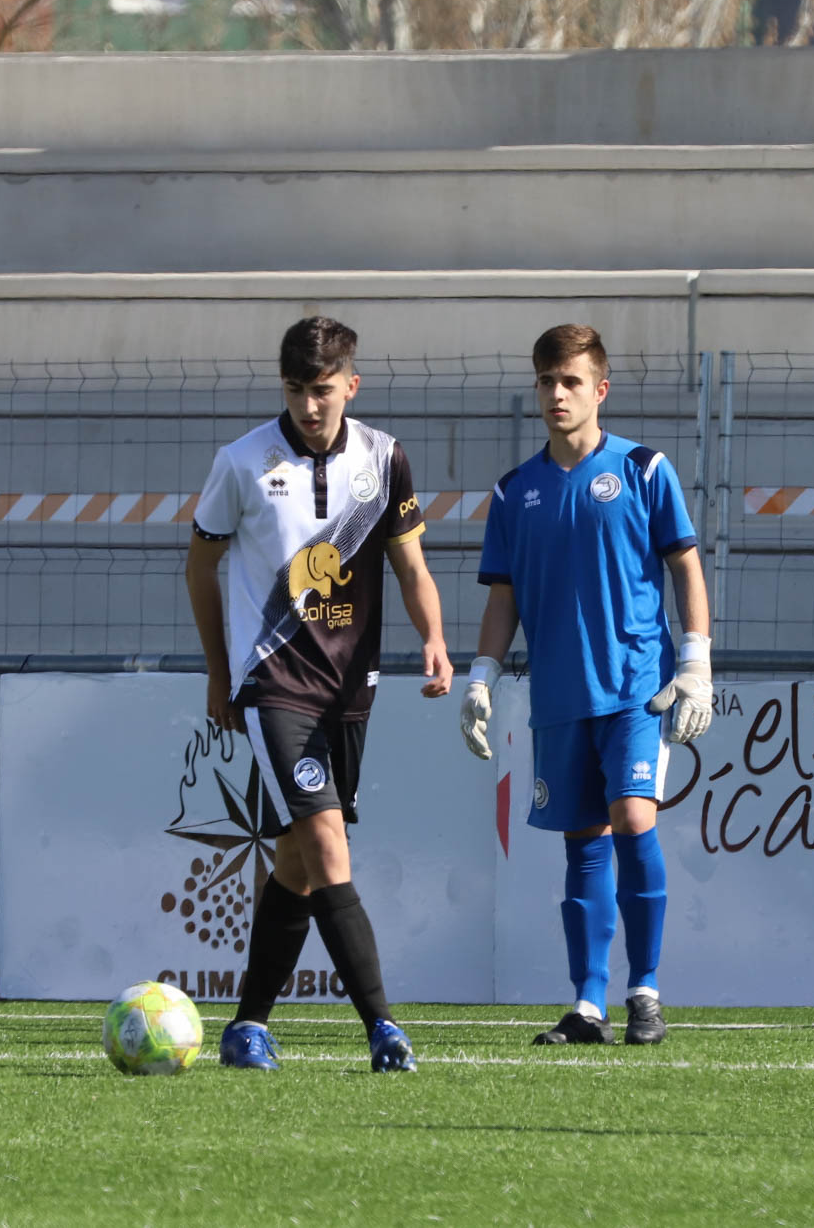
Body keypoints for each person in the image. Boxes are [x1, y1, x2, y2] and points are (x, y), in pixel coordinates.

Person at [186, 315, 453, 1073]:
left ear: (351, 386)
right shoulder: (241, 463)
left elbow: (411, 566)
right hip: (275, 682)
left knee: (297, 858)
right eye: (298, 391)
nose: (311, 405)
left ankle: (246, 1025)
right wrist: (219, 668)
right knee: (328, 841)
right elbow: (199, 567)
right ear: (286, 388)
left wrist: (434, 637)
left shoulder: (384, 459)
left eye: (324, 390)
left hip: (350, 687)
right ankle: (383, 1028)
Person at [458, 323, 712, 1046]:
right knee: (583, 841)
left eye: (571, 381)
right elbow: (502, 596)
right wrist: (480, 676)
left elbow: (685, 566)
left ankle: (646, 991)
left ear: (600, 389)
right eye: (546, 381)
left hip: (637, 684)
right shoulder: (514, 492)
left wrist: (696, 662)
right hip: (559, 695)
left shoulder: (644, 469)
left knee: (634, 818)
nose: (557, 394)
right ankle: (588, 1004)